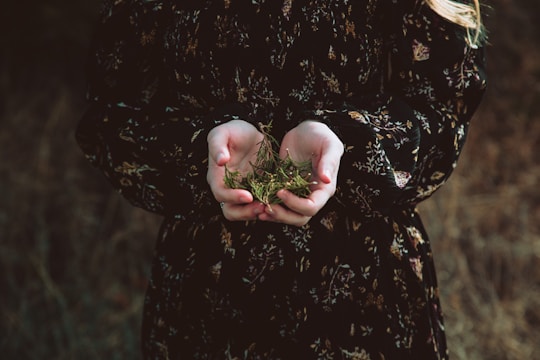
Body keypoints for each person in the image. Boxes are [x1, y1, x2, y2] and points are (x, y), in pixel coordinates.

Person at [76, 0, 487, 358]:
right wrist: (200, 149)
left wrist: (348, 145)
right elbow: (110, 115)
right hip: (209, 298)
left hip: (366, 300)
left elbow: (443, 112)